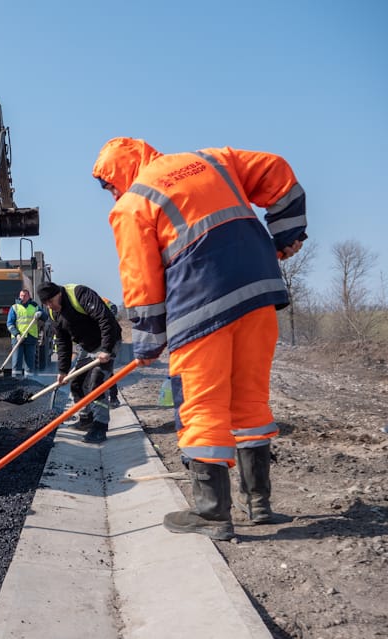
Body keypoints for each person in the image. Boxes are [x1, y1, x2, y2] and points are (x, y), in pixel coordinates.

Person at [92, 137, 307, 540]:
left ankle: (212, 514)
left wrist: (148, 340)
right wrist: (286, 233)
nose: (113, 195)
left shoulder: (133, 204)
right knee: (250, 400)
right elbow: (277, 170)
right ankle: (259, 505)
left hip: (200, 305)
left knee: (202, 406)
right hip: (259, 292)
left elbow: (140, 280)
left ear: (119, 174)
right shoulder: (214, 160)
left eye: (109, 187)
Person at [37, 281, 121, 444]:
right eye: (46, 304)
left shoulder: (79, 294)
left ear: (58, 294)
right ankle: (86, 418)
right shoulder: (54, 314)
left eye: (51, 301)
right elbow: (63, 342)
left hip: (107, 341)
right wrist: (63, 371)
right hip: (87, 346)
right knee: (77, 382)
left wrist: (106, 349)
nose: (49, 306)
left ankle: (100, 426)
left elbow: (105, 319)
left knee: (96, 383)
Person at [6, 288, 43, 377]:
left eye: (25, 296)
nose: (23, 297)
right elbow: (10, 324)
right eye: (21, 296)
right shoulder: (15, 307)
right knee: (16, 362)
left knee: (30, 363)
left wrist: (40, 313)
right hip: (18, 339)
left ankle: (29, 381)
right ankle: (16, 381)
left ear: (29, 296)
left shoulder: (35, 307)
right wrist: (16, 334)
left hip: (30, 338)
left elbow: (45, 317)